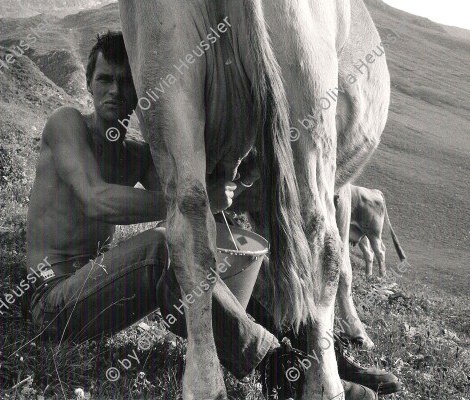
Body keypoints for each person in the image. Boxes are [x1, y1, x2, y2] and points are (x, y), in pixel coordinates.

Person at [26, 30, 400, 399]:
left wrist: (236, 181)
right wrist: (197, 201)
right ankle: (282, 371)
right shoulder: (67, 123)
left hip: (99, 286)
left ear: (141, 90)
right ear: (89, 83)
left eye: (126, 81)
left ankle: (320, 357)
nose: (114, 90)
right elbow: (98, 200)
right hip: (52, 302)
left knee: (201, 253)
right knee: (163, 249)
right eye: (104, 79)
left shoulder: (137, 155)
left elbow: (196, 205)